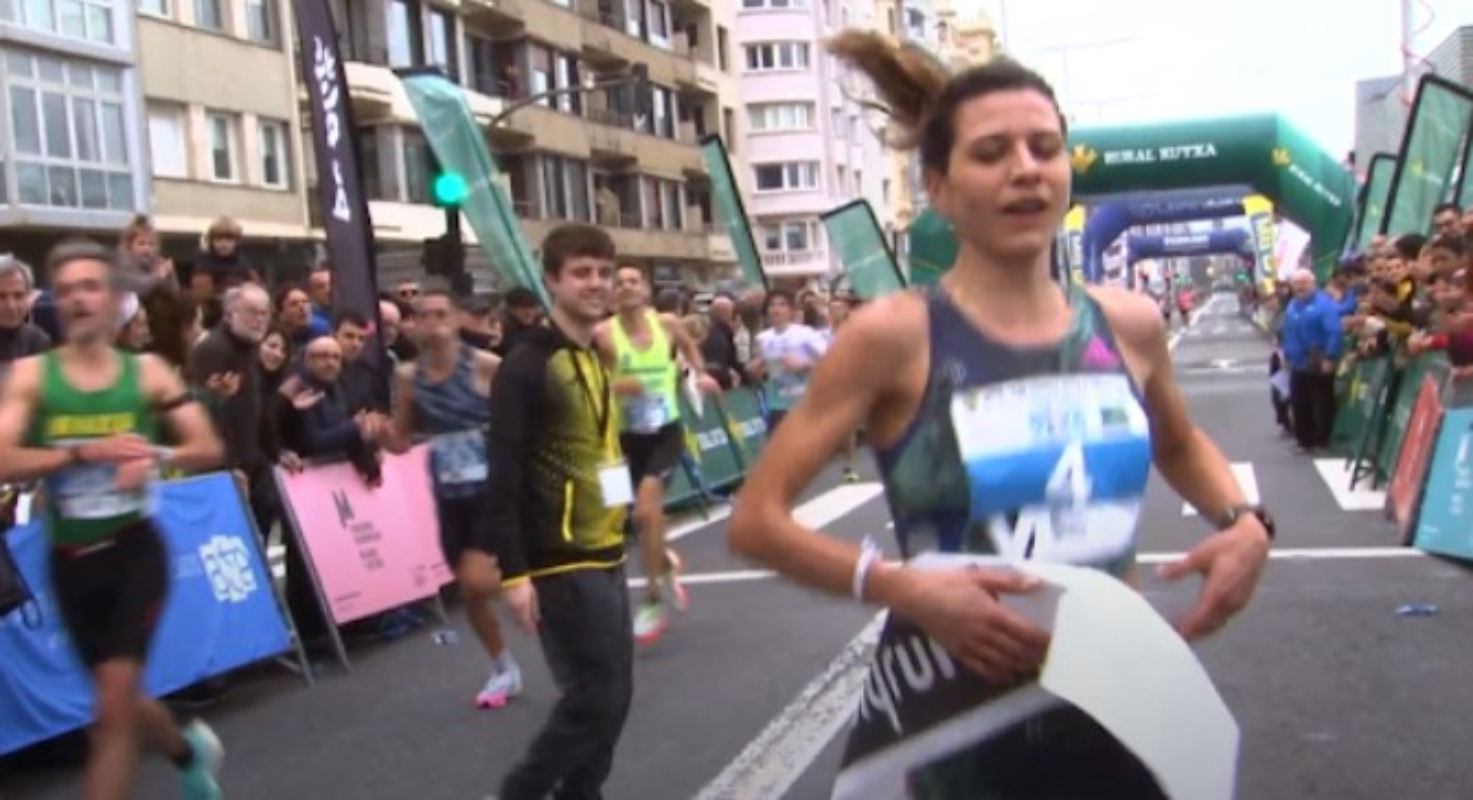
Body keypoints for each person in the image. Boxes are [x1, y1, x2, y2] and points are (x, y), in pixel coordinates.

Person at [728, 34, 1271, 797]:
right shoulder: (894, 335)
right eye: (991, 153)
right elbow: (755, 520)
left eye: (1043, 148)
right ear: (939, 187)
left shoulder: (1128, 323)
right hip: (958, 725)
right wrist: (899, 587)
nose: (1024, 169)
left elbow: (1179, 442)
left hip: (1115, 701)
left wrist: (1243, 521)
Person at [0, 240, 227, 800]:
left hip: (134, 552)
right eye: (68, 289)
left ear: (112, 301)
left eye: (90, 287)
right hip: (69, 559)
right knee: (116, 691)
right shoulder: (32, 376)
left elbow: (206, 446)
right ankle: (184, 750)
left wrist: (153, 455)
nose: (79, 299)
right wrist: (81, 454)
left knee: (110, 707)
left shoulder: (147, 373)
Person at [485, 224, 633, 800]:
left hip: (606, 551)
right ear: (552, 280)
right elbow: (505, 473)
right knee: (593, 698)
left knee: (612, 698)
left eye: (604, 272)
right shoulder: (526, 364)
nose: (596, 284)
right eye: (581, 273)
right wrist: (515, 572)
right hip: (559, 560)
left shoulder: (593, 356)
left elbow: (600, 451)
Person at [377, 287, 524, 708]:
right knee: (471, 591)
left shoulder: (485, 366)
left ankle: (532, 592)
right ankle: (503, 668)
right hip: (448, 493)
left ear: (458, 318)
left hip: (492, 491)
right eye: (423, 315)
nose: (432, 322)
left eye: (441, 313)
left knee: (480, 578)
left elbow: (519, 423)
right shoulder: (408, 376)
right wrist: (382, 433)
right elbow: (402, 441)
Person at [592, 264, 718, 645]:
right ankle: (664, 560)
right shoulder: (602, 334)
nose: (627, 287)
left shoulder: (666, 324)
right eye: (619, 283)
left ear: (645, 289)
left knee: (648, 513)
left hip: (666, 432)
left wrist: (701, 374)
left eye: (633, 281)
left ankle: (651, 599)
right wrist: (616, 384)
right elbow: (591, 381)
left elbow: (692, 349)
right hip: (620, 441)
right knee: (625, 519)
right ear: (612, 295)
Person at [746, 289, 828, 433]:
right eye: (772, 305)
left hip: (806, 401)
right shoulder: (763, 338)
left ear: (791, 310)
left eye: (782, 305)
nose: (776, 309)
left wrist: (804, 363)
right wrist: (754, 369)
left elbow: (831, 360)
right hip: (778, 404)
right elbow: (760, 372)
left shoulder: (805, 333)